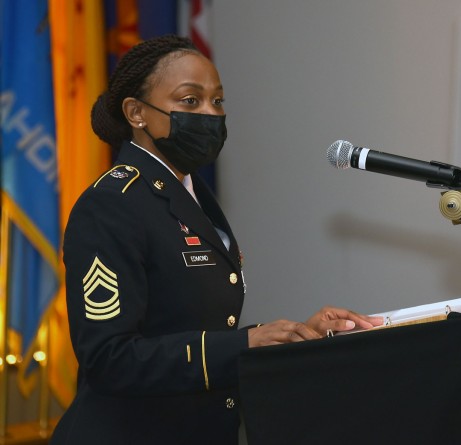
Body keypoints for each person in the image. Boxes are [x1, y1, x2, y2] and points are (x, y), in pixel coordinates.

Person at [50, 35, 382, 445]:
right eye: (190, 101)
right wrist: (245, 342)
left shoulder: (192, 193)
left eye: (218, 101)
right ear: (136, 112)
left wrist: (290, 338)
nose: (210, 113)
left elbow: (196, 329)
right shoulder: (112, 204)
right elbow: (109, 359)